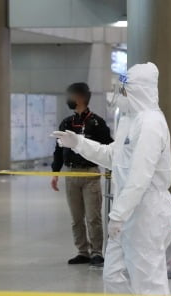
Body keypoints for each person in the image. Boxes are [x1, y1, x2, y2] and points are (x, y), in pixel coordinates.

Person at [52, 62, 171, 296]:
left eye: (122, 90)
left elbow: (140, 176)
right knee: (115, 276)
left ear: (136, 91)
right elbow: (113, 157)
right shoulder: (129, 120)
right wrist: (79, 144)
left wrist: (119, 215)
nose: (117, 95)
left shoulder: (150, 124)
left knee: (149, 280)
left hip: (145, 210)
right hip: (127, 211)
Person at [51, 83, 112, 267]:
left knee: (93, 217)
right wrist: (55, 173)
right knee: (76, 217)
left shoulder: (97, 123)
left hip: (90, 173)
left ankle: (96, 252)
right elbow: (58, 150)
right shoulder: (67, 123)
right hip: (71, 173)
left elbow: (109, 148)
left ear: (80, 98)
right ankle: (82, 251)